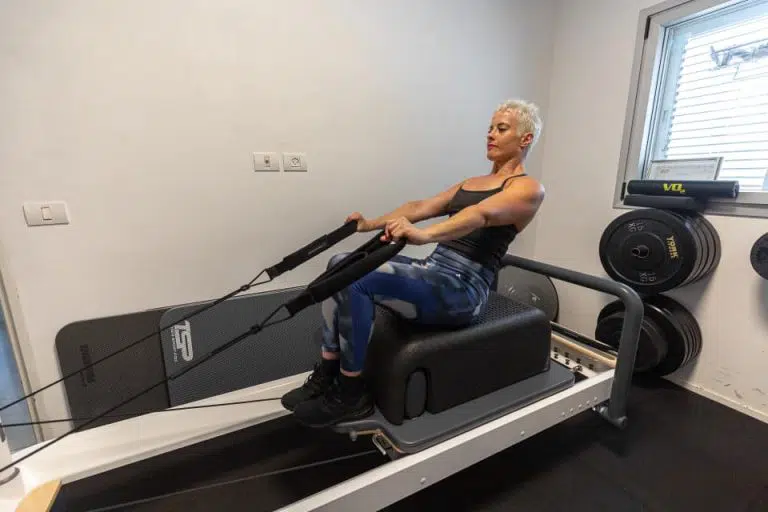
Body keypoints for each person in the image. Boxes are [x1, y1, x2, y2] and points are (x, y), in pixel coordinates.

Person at [282, 99, 546, 428]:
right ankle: (328, 372)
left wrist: (424, 235)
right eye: (490, 128)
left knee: (358, 279)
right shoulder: (472, 182)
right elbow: (419, 206)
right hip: (433, 271)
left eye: (501, 129)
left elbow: (481, 215)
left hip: (463, 291)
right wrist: (368, 224)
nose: (490, 134)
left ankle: (351, 395)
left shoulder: (528, 189)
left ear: (525, 138)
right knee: (340, 263)